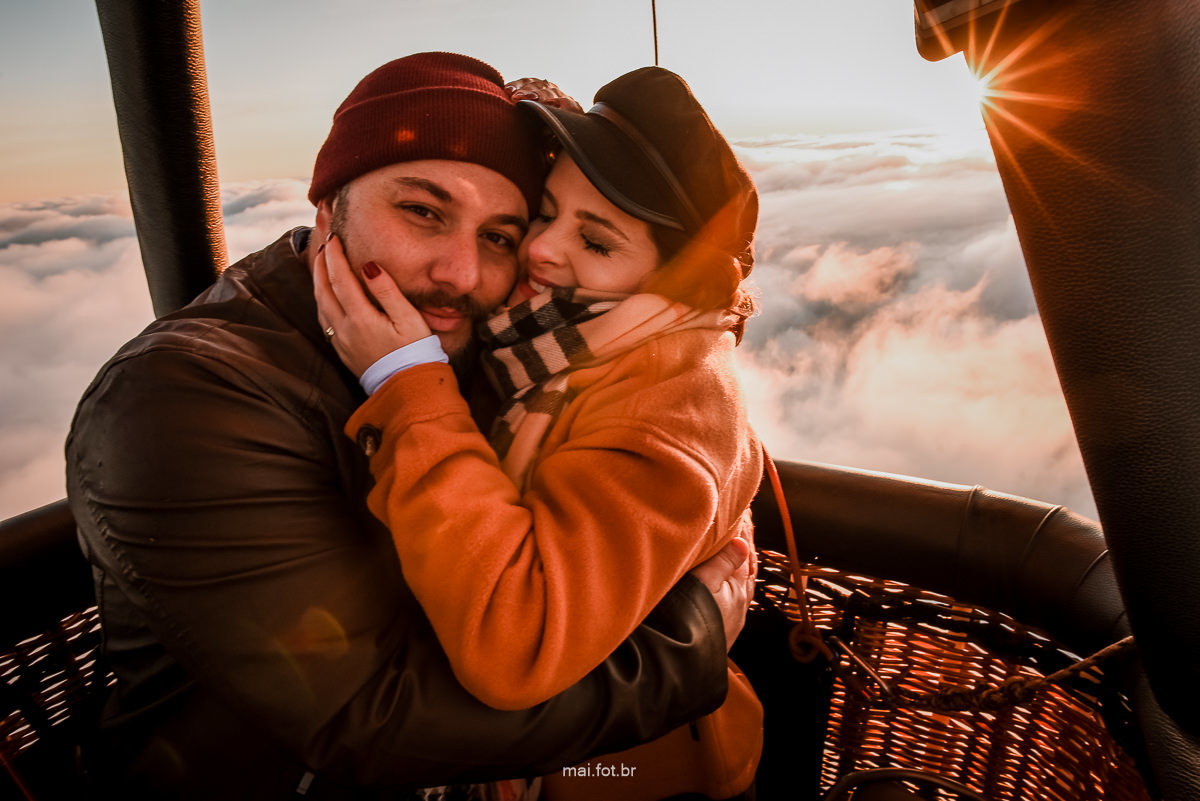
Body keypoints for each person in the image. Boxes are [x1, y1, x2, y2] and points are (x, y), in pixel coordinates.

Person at [65, 52, 754, 800]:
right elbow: (374, 716)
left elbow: (655, 427)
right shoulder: (182, 400)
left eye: (500, 235)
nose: (460, 270)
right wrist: (690, 641)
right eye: (423, 211)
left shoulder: (479, 346)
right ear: (328, 206)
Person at [315, 66, 764, 801]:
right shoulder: (568, 348)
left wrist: (406, 387)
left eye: (597, 240)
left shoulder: (664, 411)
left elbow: (514, 642)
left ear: (677, 279)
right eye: (546, 213)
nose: (542, 250)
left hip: (626, 778)